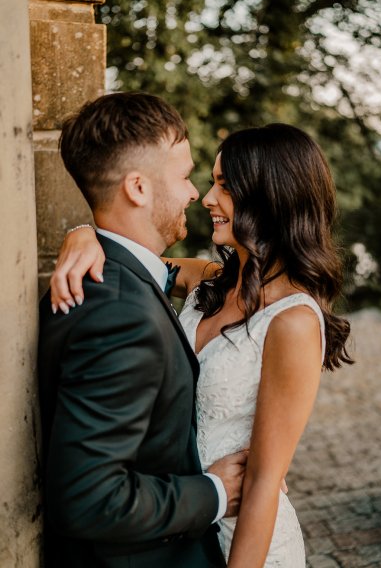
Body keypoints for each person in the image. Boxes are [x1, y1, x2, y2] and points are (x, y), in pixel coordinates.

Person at [51, 121, 353, 566]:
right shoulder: (208, 279)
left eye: (224, 186)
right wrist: (80, 233)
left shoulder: (292, 322)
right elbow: (130, 256)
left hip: (241, 538)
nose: (207, 198)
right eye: (212, 183)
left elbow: (265, 484)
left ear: (270, 197)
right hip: (183, 521)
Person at [38, 92, 250, 568]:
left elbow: (169, 276)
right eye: (183, 175)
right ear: (137, 188)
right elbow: (89, 499)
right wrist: (216, 493)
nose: (195, 193)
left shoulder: (113, 278)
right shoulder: (119, 313)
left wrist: (82, 230)